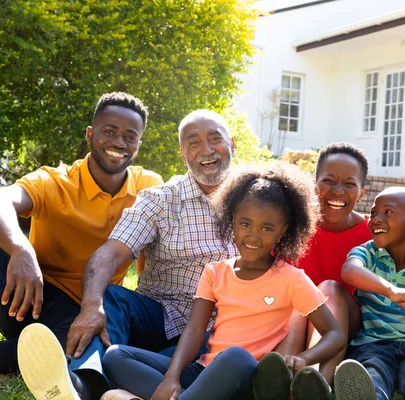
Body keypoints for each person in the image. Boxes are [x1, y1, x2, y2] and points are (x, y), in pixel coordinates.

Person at [17, 109, 239, 400]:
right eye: (194, 143)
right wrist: (90, 307)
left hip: (219, 329)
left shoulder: (256, 197)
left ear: (232, 144)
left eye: (214, 139)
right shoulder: (161, 199)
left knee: (209, 353)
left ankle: (131, 389)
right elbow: (108, 254)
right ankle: (83, 385)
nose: (206, 150)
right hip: (161, 314)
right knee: (111, 300)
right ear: (183, 154)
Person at [100, 161, 346, 400]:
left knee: (236, 356)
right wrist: (171, 377)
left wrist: (304, 358)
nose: (253, 235)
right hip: (204, 371)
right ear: (232, 220)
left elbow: (335, 334)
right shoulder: (215, 272)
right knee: (115, 356)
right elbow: (195, 330)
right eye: (245, 224)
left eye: (267, 228)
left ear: (283, 232)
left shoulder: (292, 279)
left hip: (246, 378)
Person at [0, 92, 163, 374]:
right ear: (90, 134)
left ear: (138, 145)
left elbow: (151, 247)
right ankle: (26, 346)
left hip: (84, 311)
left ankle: (0, 355)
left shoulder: (148, 185)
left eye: (130, 136)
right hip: (28, 295)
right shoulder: (54, 181)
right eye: (109, 131)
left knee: (78, 344)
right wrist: (21, 248)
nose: (118, 142)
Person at [271, 142, 372, 388]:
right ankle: (282, 374)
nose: (338, 191)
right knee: (301, 292)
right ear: (314, 184)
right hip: (294, 319)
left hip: (345, 322)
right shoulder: (293, 226)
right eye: (328, 181)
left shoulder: (373, 233)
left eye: (349, 184)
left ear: (362, 193)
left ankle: (317, 382)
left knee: (327, 289)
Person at [337, 187, 405, 400]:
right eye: (374, 212)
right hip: (373, 343)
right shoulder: (368, 252)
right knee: (372, 371)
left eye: (388, 212)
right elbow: (350, 270)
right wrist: (392, 290)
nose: (375, 219)